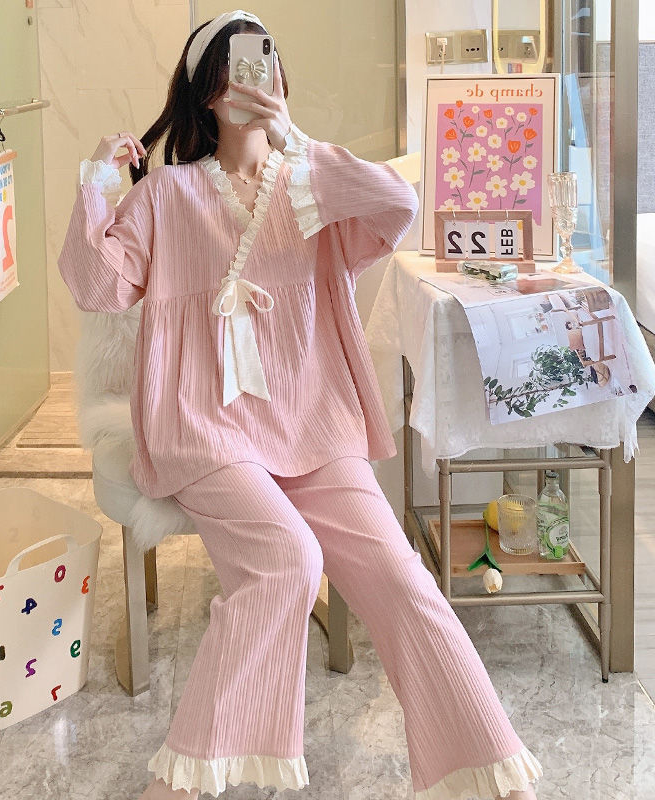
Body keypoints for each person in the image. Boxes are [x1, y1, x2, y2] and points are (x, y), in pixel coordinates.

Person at [57, 10, 544, 800]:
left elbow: (397, 206)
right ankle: (184, 783)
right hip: (207, 428)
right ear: (206, 91)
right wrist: (98, 184)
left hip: (312, 421)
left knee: (402, 576)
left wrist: (297, 140)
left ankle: (490, 774)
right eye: (234, 63)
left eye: (265, 58)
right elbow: (95, 285)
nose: (255, 74)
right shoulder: (168, 196)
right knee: (287, 559)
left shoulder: (311, 186)